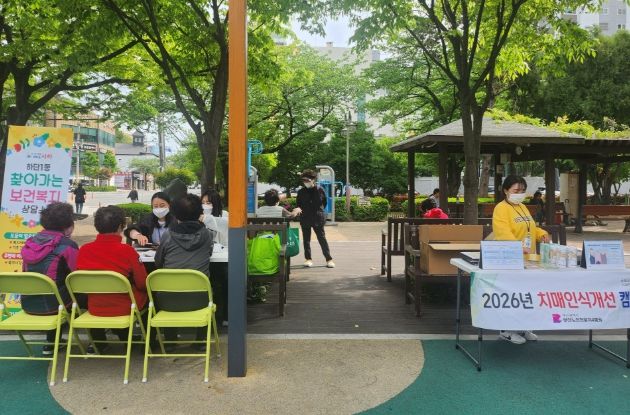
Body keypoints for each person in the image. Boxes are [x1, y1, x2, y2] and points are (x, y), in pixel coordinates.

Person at [77, 205, 152, 351]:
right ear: (120, 226)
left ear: (97, 225)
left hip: (95, 307)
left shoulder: (84, 250)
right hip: (125, 307)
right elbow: (142, 284)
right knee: (147, 297)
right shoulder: (127, 251)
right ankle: (146, 342)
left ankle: (99, 343)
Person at [492, 175, 549, 345]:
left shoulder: (523, 207)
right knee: (512, 294)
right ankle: (506, 330)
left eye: (522, 191)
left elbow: (531, 228)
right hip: (510, 259)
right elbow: (502, 232)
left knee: (526, 294)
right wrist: (517, 246)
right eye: (516, 190)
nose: (520, 194)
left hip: (527, 259)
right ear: (506, 190)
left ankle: (522, 327)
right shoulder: (501, 208)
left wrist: (542, 234)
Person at [154, 193, 214, 349]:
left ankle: (170, 342)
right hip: (200, 299)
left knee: (165, 287)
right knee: (210, 284)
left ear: (174, 213)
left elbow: (158, 261)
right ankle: (200, 341)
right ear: (200, 212)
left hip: (168, 300)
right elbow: (209, 253)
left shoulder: (168, 235)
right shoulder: (206, 234)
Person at [20, 202, 81, 356]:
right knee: (84, 291)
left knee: (53, 287)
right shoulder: (68, 245)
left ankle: (52, 343)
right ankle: (98, 342)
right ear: (69, 226)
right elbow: (78, 276)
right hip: (56, 306)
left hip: (28, 303)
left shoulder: (30, 244)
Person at [294, 169, 334, 268]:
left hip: (317, 217)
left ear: (313, 180)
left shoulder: (320, 190)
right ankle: (308, 259)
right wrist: (298, 209)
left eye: (307, 180)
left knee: (322, 238)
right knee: (306, 240)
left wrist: (319, 211)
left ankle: (329, 259)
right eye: (304, 181)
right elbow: (298, 204)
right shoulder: (301, 192)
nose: (305, 182)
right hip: (305, 217)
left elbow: (324, 203)